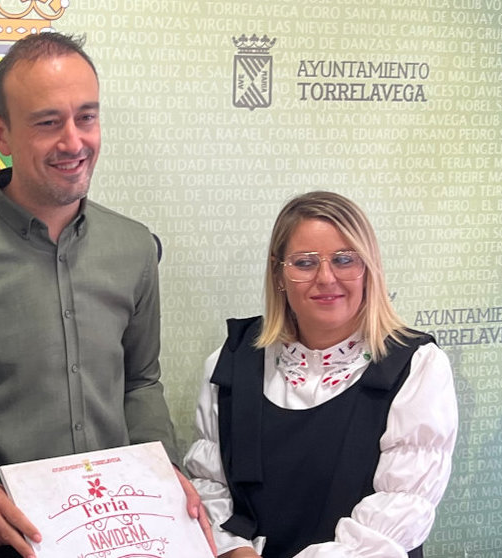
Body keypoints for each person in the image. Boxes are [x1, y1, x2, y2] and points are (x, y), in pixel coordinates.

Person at [0, 32, 213, 558]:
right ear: (2, 134)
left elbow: (141, 381)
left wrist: (162, 468)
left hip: (122, 537)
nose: (73, 142)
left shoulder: (134, 247)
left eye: (86, 117)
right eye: (48, 122)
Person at [184, 191, 458, 558]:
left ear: (369, 268)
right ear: (279, 273)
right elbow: (210, 484)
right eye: (304, 263)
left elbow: (400, 508)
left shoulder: (417, 366)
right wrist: (236, 551)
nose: (326, 278)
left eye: (345, 260)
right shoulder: (233, 361)